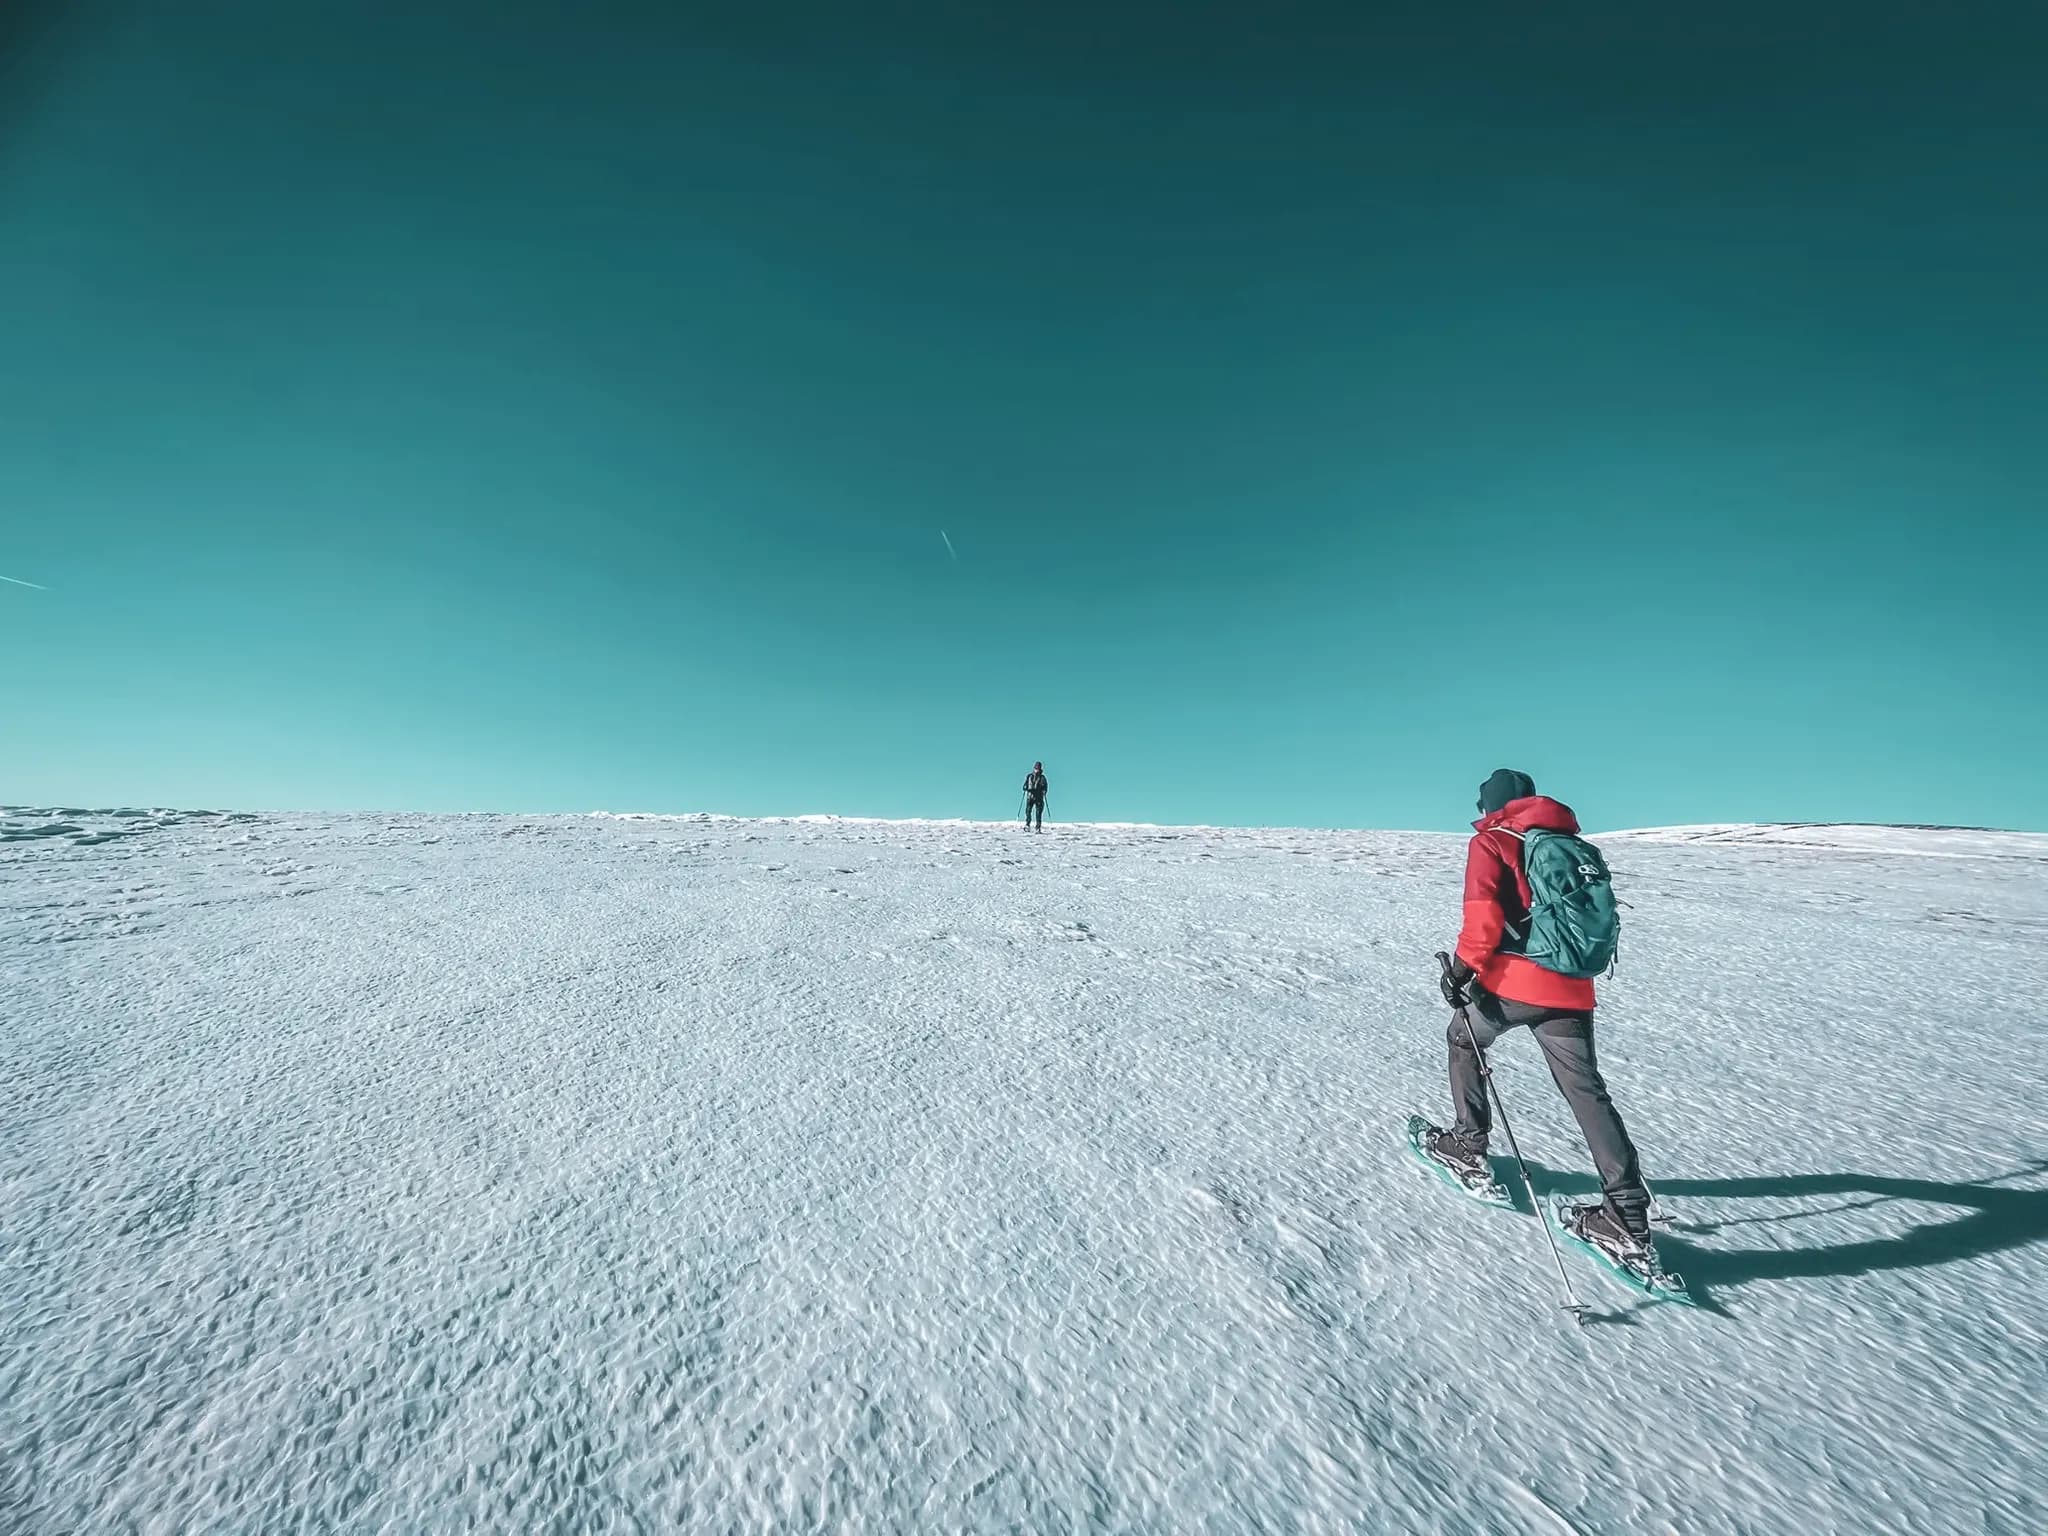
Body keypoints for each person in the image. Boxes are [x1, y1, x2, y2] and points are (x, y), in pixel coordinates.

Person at [1424, 768, 1655, 1256]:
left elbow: (1483, 920)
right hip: (1572, 989)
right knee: (1587, 1092)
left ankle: (1468, 1145)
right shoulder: (1565, 843)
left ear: (1492, 804)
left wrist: (1461, 972)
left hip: (1515, 984)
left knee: (1463, 1038)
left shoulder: (1493, 843)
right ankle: (1628, 1214)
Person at [1022, 762, 1048, 831]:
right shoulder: (1029, 776)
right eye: (1036, 768)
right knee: (1028, 811)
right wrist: (1025, 787)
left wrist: (1044, 791)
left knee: (1038, 812)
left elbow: (1045, 786)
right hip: (1030, 796)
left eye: (1038, 768)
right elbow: (1025, 784)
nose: (1036, 770)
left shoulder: (1042, 778)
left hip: (1038, 797)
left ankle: (1038, 827)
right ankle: (1027, 824)